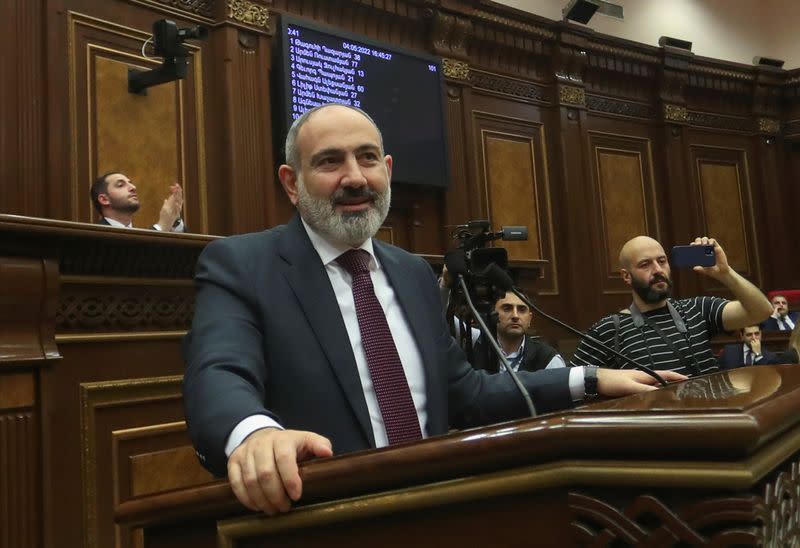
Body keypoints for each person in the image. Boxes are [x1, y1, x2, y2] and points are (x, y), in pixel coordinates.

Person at [182, 104, 685, 516]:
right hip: (325, 521)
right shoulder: (243, 264)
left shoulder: (414, 274)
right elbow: (219, 373)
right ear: (292, 183)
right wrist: (255, 434)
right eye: (330, 161)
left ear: (388, 170)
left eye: (368, 158)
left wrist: (593, 380)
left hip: (439, 511)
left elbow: (468, 393)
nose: (355, 178)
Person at [571, 235, 773, 376]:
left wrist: (726, 274)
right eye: (645, 264)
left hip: (710, 425)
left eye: (662, 261)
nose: (658, 270)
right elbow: (569, 383)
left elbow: (762, 311)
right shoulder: (608, 330)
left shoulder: (698, 309)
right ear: (626, 276)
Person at [471, 290, 566, 373]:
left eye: (522, 309)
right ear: (492, 315)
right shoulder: (476, 342)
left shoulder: (548, 359)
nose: (515, 316)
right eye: (507, 308)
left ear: (529, 319)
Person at [90, 171, 185, 232]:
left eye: (130, 183)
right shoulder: (96, 235)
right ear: (104, 199)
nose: (133, 187)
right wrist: (162, 227)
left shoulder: (138, 233)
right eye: (120, 185)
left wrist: (174, 220)